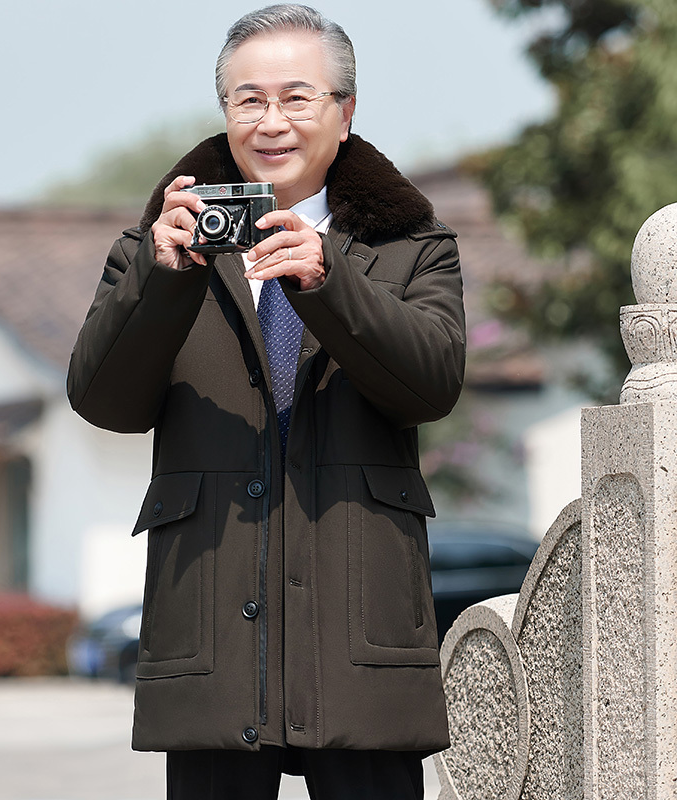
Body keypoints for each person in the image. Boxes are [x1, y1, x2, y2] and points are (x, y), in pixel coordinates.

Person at [67, 5, 466, 798]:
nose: (270, 120)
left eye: (297, 96)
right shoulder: (159, 247)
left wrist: (328, 283)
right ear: (224, 112)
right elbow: (102, 399)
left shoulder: (409, 246)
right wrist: (162, 277)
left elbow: (432, 384)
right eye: (247, 100)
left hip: (362, 641)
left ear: (345, 113)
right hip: (211, 634)